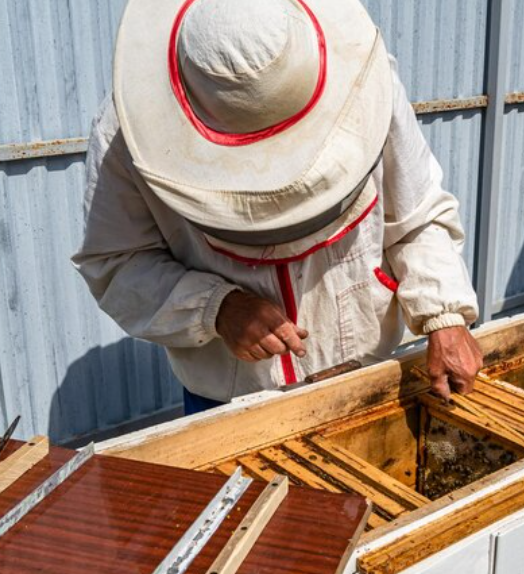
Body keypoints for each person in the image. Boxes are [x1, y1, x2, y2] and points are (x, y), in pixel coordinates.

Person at [73, 0, 482, 414]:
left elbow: (418, 214)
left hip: (367, 371)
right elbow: (118, 263)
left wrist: (444, 314)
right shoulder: (125, 134)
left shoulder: (367, 81)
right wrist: (217, 308)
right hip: (231, 399)